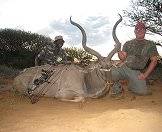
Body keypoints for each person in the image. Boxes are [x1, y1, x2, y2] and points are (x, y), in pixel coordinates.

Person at [111, 21, 159, 96]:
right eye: (137, 29)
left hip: (136, 72)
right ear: (134, 31)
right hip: (124, 67)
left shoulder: (150, 44)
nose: (139, 31)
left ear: (145, 31)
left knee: (142, 92)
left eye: (142, 29)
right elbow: (122, 58)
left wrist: (145, 75)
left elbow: (154, 61)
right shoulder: (128, 43)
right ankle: (117, 86)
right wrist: (118, 50)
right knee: (112, 72)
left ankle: (131, 84)